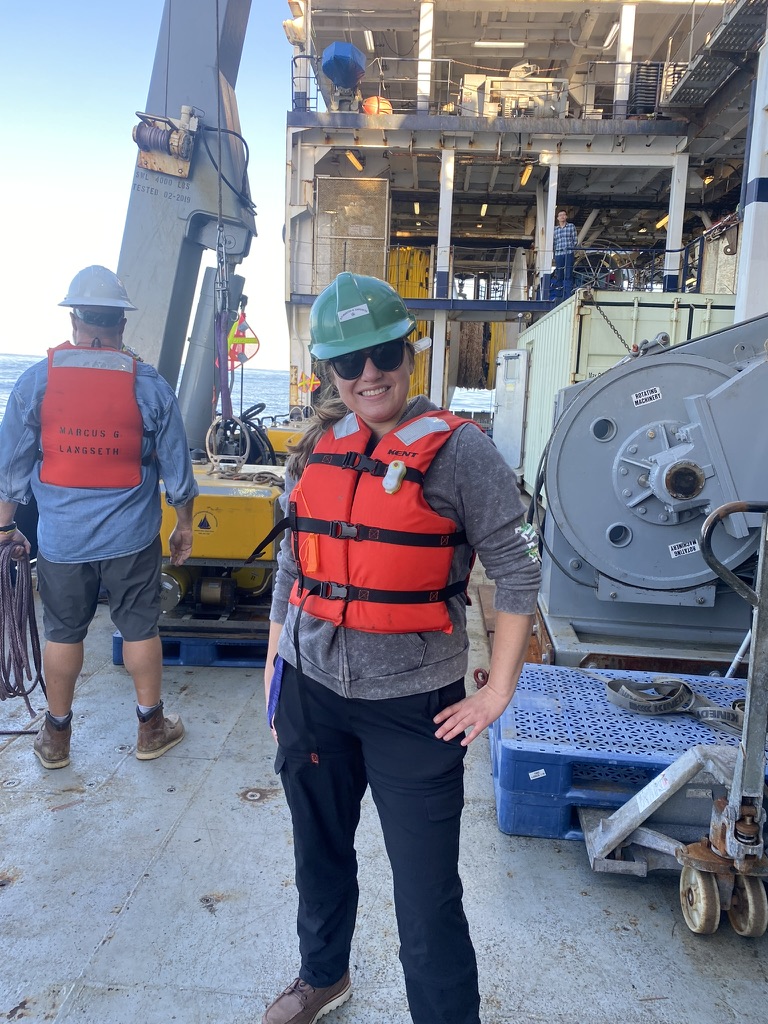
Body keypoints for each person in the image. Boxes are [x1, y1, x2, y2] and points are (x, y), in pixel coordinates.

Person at [261, 272, 541, 1024]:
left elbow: (516, 571)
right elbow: (294, 555)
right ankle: (323, 976)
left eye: (382, 352)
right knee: (318, 859)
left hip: (414, 707)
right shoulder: (319, 443)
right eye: (348, 363)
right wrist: (274, 660)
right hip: (313, 693)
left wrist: (497, 692)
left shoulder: (461, 453)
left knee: (427, 898)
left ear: (407, 354)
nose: (367, 374)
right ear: (328, 370)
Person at [0, 265, 198, 769]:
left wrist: (5, 529)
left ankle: (56, 739)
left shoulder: (36, 381)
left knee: (63, 631)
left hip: (61, 543)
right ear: (121, 324)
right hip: (131, 540)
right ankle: (151, 729)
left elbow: (12, 467)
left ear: (74, 319)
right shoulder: (150, 385)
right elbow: (177, 469)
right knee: (139, 629)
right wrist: (184, 525)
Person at [552, 209, 578, 301]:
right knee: (559, 273)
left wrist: (570, 248)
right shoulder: (555, 230)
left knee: (568, 273)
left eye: (564, 215)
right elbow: (554, 242)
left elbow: (575, 239)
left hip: (568, 253)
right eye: (560, 215)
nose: (562, 217)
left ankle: (568, 294)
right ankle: (559, 294)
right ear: (558, 218)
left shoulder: (571, 226)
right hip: (559, 253)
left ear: (566, 217)